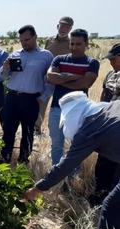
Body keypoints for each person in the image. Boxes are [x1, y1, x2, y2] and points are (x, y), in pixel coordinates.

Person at [24, 91, 120, 229]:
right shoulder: (111, 108)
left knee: (110, 208)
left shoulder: (90, 129)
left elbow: (65, 166)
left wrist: (37, 188)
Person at [46, 29, 99, 188]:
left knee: (74, 146)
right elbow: (50, 77)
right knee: (56, 145)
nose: (74, 47)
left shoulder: (92, 62)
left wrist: (61, 79)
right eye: (72, 43)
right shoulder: (59, 59)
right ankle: (58, 177)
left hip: (78, 111)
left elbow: (86, 84)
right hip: (57, 108)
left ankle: (71, 179)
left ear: (86, 44)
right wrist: (75, 77)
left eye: (78, 44)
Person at [0, 25, 54, 165]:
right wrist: (4, 68)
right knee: (8, 130)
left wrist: (42, 98)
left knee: (28, 132)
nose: (24, 43)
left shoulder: (46, 56)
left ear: (35, 37)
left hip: (31, 100)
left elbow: (51, 81)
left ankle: (23, 161)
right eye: (21, 40)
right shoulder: (15, 54)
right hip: (12, 97)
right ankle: (4, 158)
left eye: (27, 40)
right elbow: (4, 76)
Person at [90, 43, 120, 206]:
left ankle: (112, 203)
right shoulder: (110, 75)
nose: (111, 63)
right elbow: (104, 95)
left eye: (114, 59)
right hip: (107, 126)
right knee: (102, 165)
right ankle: (99, 196)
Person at [35, 16, 74, 135]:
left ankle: (58, 130)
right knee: (42, 102)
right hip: (46, 77)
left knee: (60, 104)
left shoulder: (71, 43)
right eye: (62, 25)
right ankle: (36, 128)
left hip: (62, 79)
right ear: (58, 26)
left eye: (67, 27)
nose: (64, 29)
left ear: (70, 29)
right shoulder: (49, 40)